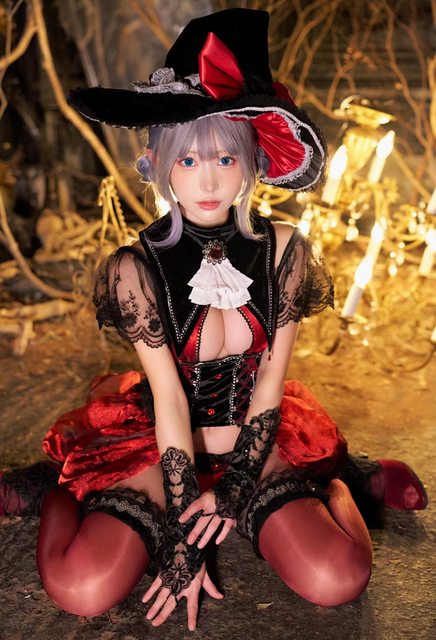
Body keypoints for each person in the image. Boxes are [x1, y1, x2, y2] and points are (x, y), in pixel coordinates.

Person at [0, 8, 427, 631]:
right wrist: (184, 537)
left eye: (226, 159)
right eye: (188, 160)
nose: (208, 179)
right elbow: (171, 401)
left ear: (252, 161)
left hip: (254, 442)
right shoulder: (134, 269)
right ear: (159, 161)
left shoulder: (285, 249)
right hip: (162, 445)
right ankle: (63, 487)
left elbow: (271, 386)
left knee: (339, 579)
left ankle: (343, 481)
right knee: (80, 588)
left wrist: (234, 489)